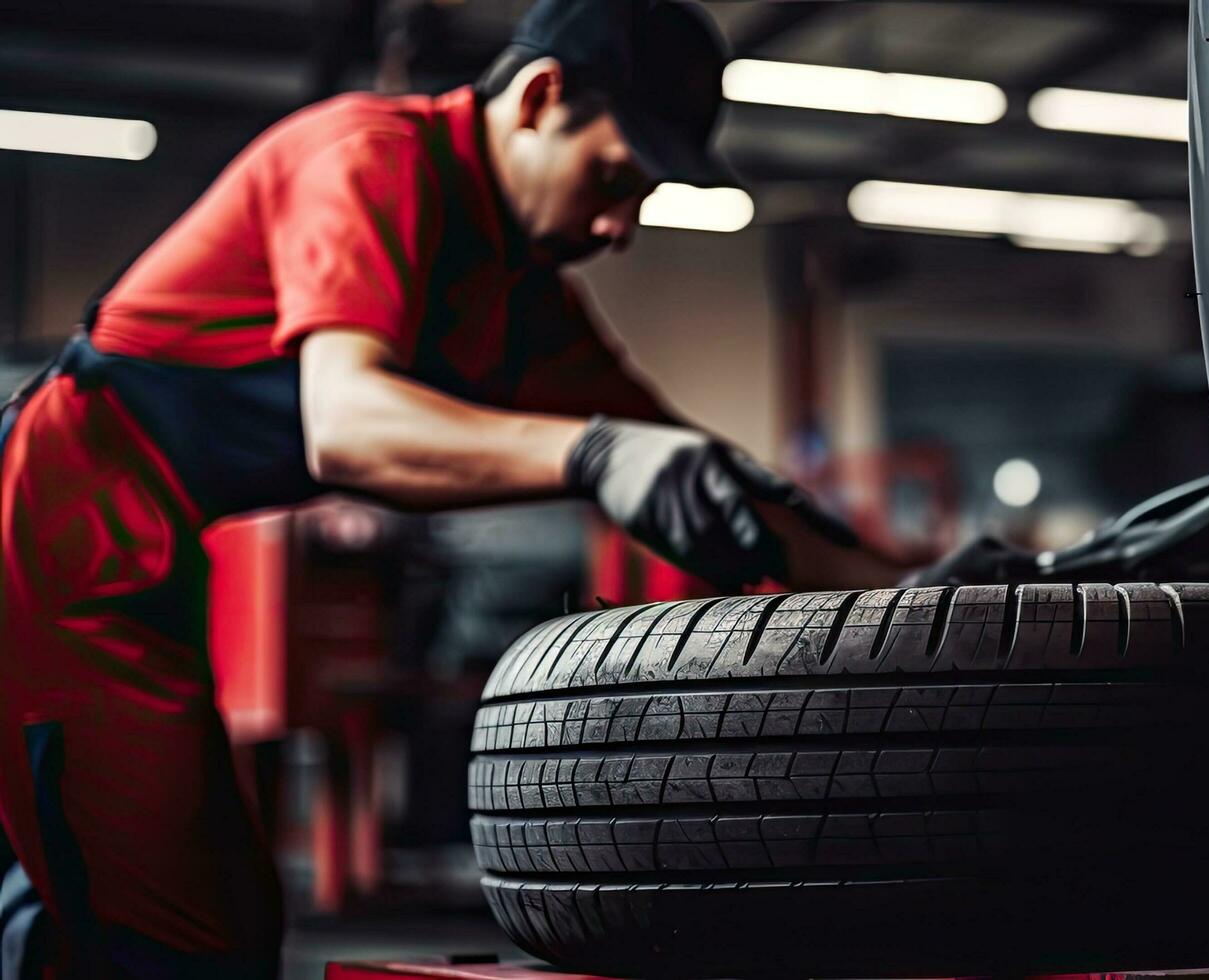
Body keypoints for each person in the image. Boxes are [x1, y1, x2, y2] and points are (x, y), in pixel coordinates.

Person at [0, 0, 912, 974]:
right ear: (539, 97)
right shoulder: (369, 157)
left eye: (642, 197)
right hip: (56, 522)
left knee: (228, 908)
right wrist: (595, 457)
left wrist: (929, 592)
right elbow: (348, 425)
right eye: (613, 177)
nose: (618, 227)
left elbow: (708, 479)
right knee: (146, 922)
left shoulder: (516, 294)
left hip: (155, 555)